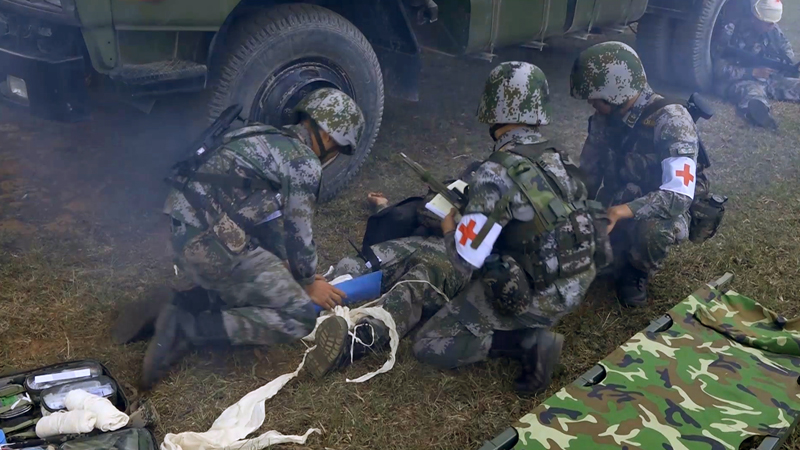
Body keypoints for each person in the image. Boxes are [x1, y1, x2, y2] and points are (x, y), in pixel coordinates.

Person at [139, 88, 365, 389]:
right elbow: (299, 234)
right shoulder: (303, 163)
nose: (335, 155)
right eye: (339, 148)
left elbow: (263, 216)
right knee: (297, 314)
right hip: (207, 246)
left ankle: (183, 301)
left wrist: (288, 267)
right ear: (328, 136)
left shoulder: (262, 136)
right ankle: (189, 327)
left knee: (263, 277)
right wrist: (308, 283)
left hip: (181, 229)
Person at [411, 62, 607, 395]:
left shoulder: (494, 171)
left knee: (429, 342)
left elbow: (466, 259)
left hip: (539, 296)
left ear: (494, 108)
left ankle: (526, 343)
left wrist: (448, 227)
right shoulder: (557, 154)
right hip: (578, 276)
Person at [571, 41, 706, 307]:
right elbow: (588, 173)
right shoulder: (603, 119)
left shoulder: (672, 120)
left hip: (666, 206)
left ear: (615, 92)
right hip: (624, 193)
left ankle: (636, 272)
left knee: (653, 230)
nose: (590, 102)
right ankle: (614, 253)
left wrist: (620, 212)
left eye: (594, 96)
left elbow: (679, 195)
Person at [712, 0, 796, 128]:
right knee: (753, 95)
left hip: (769, 78)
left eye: (773, 23)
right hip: (741, 80)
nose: (772, 26)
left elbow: (786, 51)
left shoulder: (772, 30)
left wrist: (784, 64)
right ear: (755, 18)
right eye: (768, 23)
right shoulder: (732, 32)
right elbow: (718, 69)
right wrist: (751, 72)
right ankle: (759, 115)